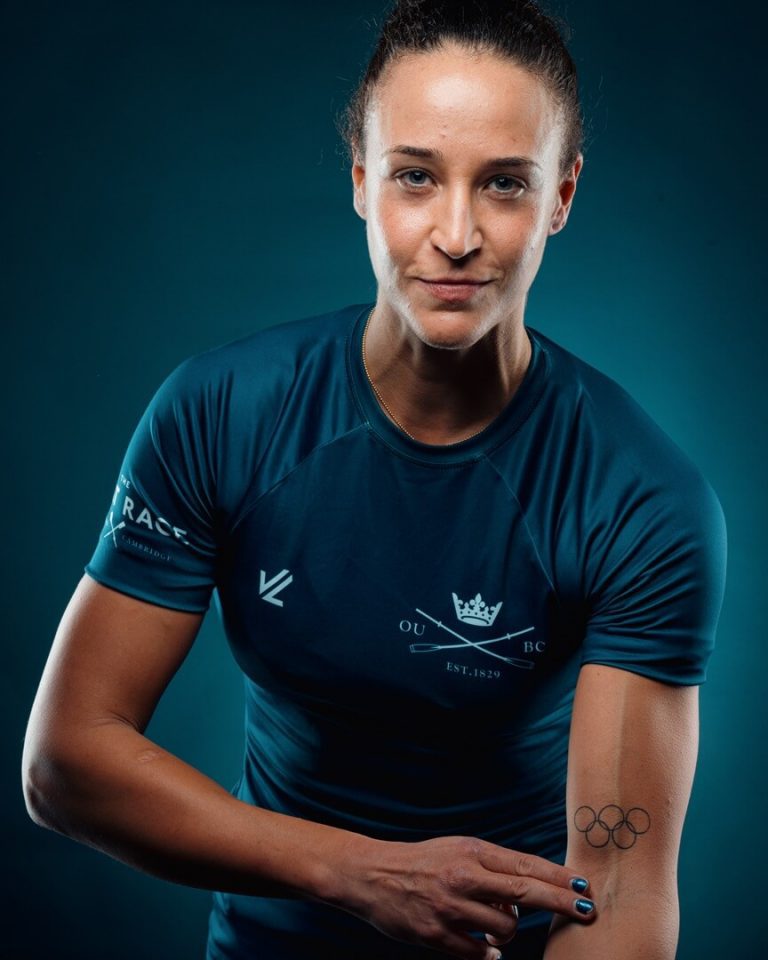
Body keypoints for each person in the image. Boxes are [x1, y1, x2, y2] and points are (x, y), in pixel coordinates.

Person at [21, 1, 727, 959]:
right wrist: (357, 871)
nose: (456, 233)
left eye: (505, 184)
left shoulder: (640, 501)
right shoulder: (220, 412)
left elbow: (624, 898)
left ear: (561, 197)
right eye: (415, 177)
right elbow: (66, 763)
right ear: (362, 180)